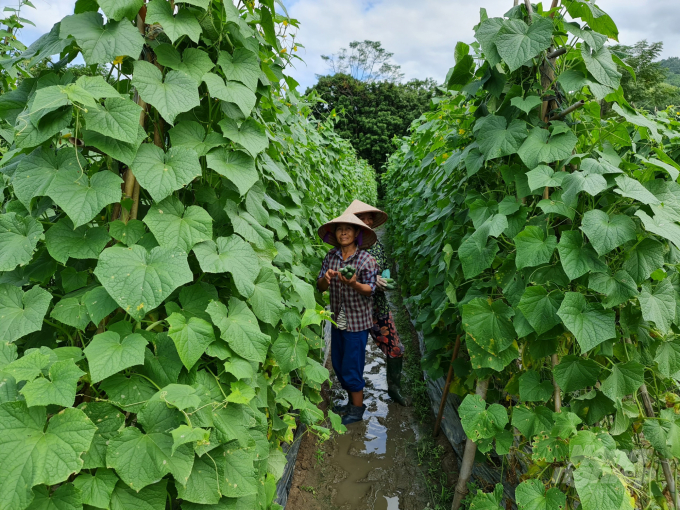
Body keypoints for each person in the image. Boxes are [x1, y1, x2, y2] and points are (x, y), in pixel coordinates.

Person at [317, 211, 379, 425]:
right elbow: (320, 285)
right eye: (340, 229)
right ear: (335, 234)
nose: (343, 232)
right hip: (337, 320)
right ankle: (351, 403)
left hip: (357, 322)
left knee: (352, 366)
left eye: (348, 229)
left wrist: (353, 283)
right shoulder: (331, 257)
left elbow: (370, 289)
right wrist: (325, 279)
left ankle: (357, 410)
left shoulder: (366, 259)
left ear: (356, 233)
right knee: (338, 363)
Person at [344, 200, 406, 406]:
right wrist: (370, 279)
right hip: (355, 310)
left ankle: (394, 388)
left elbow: (385, 268)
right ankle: (354, 402)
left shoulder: (375, 243)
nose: (369, 220)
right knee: (353, 357)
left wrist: (385, 279)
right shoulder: (347, 247)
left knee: (395, 348)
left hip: (378, 307)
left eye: (371, 217)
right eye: (364, 217)